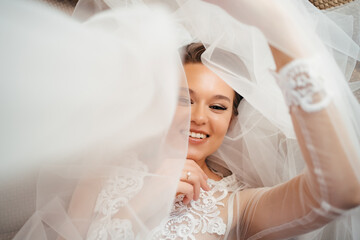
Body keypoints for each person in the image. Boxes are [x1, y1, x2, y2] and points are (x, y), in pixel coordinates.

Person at [2, 0, 360, 239]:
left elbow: (342, 191)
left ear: (233, 121)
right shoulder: (104, 170)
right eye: (183, 99)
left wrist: (279, 29)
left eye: (218, 106)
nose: (198, 117)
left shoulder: (241, 205)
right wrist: (144, 202)